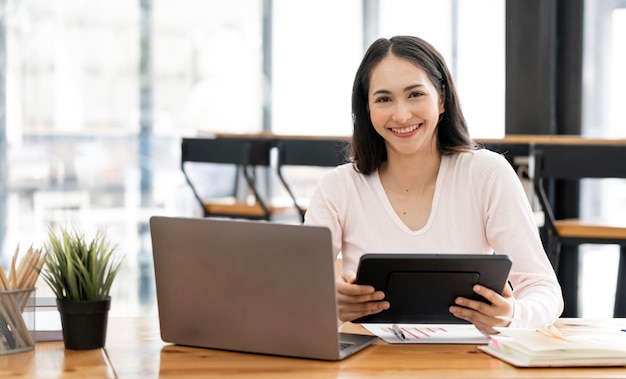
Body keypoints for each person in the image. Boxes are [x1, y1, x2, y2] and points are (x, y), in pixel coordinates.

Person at [304, 35, 563, 334]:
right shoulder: (337, 187)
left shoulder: (487, 174)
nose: (401, 115)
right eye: (384, 99)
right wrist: (329, 304)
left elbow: (543, 288)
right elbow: (299, 296)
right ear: (367, 109)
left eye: (415, 94)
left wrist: (512, 315)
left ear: (441, 98)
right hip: (368, 362)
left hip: (468, 362)